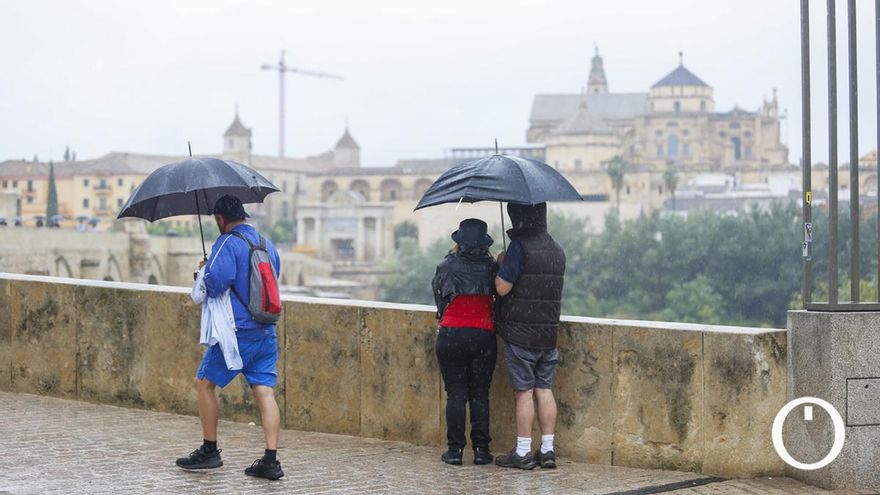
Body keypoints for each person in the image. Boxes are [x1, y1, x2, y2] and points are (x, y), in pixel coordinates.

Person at [175, 195, 285, 480]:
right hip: (266, 330)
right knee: (264, 391)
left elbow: (215, 284)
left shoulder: (227, 242)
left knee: (204, 384)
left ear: (220, 219)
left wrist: (204, 269)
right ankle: (270, 461)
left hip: (237, 334)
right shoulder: (266, 244)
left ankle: (210, 451)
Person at [493, 202, 566, 470]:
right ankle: (547, 450)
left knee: (523, 392)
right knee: (543, 388)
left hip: (521, 333)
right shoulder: (557, 250)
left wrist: (502, 264)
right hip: (548, 333)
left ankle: (523, 451)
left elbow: (502, 288)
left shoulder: (519, 247)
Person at [431, 219, 499, 466]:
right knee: (480, 393)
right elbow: (501, 297)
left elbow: (438, 296)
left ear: (459, 241)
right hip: (483, 334)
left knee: (456, 393)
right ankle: (481, 450)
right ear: (484, 242)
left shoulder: (447, 265)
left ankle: (455, 451)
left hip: (451, 335)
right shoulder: (492, 267)